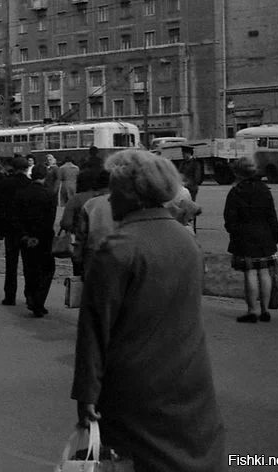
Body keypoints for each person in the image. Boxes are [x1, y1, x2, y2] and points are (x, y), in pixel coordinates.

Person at [72, 149, 224, 471]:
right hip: (190, 374)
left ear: (133, 196)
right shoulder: (187, 242)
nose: (109, 200)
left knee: (135, 460)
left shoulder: (117, 249)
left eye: (114, 192)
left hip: (135, 383)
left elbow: (95, 328)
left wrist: (86, 392)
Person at [224, 157, 278, 323]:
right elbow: (272, 215)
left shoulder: (236, 192)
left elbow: (229, 218)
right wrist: (274, 236)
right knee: (264, 272)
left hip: (244, 236)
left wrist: (233, 232)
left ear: (238, 173)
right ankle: (264, 310)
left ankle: (252, 311)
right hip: (265, 235)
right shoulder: (264, 189)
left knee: (249, 272)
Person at [16, 165, 56, 317]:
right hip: (44, 238)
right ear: (44, 176)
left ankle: (31, 295)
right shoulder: (49, 194)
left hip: (26, 237)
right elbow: (49, 219)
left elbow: (17, 217)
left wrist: (25, 235)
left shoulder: (21, 194)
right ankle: (38, 300)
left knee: (29, 268)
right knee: (47, 269)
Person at [0, 156, 31, 306]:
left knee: (11, 264)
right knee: (29, 264)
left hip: (10, 228)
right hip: (27, 229)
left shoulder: (5, 183)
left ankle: (10, 295)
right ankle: (29, 295)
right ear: (26, 168)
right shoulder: (30, 184)